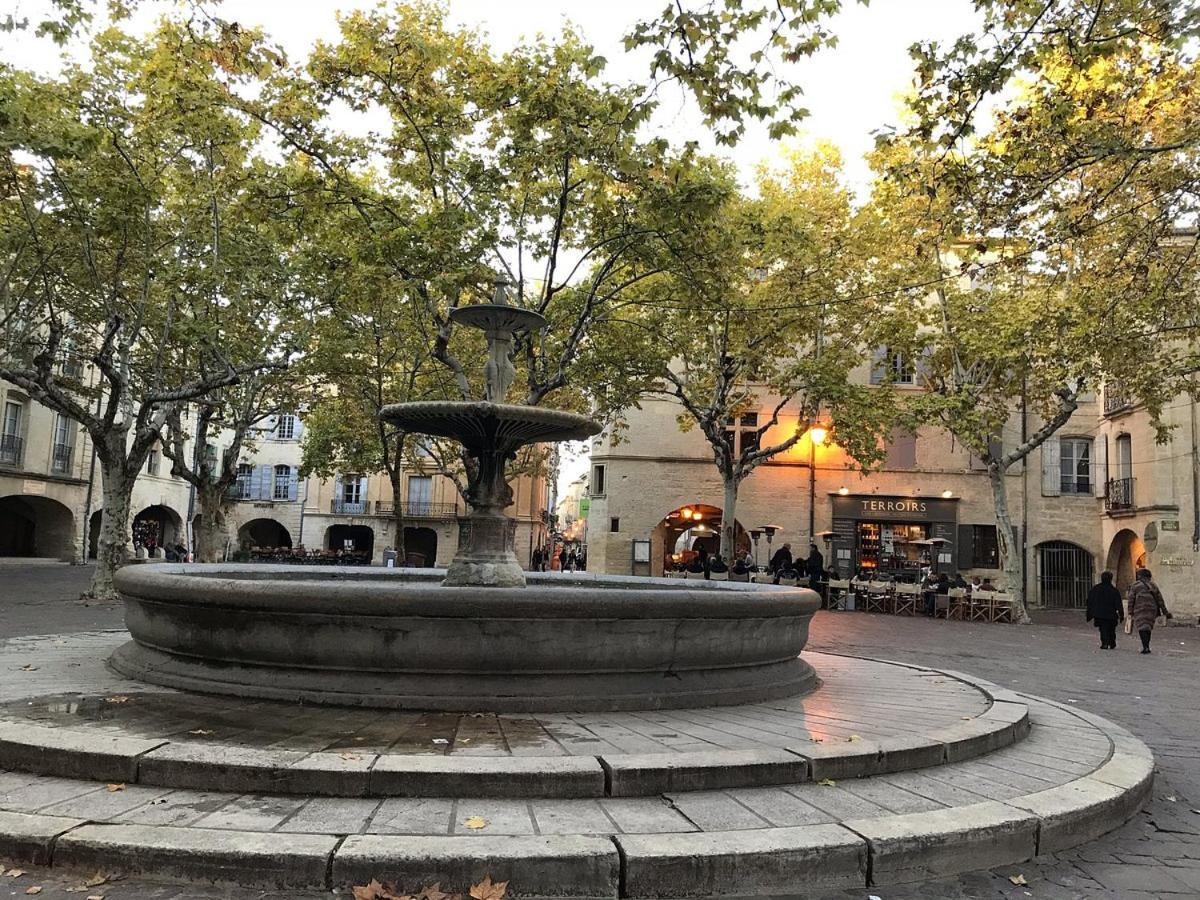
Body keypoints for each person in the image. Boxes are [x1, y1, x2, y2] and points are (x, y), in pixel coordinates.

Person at [1127, 568, 1172, 654]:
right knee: (1148, 627)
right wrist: (1165, 612)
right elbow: (1160, 600)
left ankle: (1145, 646)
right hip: (1152, 609)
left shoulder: (1135, 585)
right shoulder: (1153, 585)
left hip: (1140, 609)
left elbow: (1131, 599)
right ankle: (1147, 645)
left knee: (1141, 627)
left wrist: (1130, 611)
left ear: (1139, 576)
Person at [1085, 571, 1124, 650]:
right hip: (1111, 614)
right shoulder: (1114, 590)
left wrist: (1089, 613)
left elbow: (1090, 601)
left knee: (1103, 629)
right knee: (1111, 629)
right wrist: (1121, 614)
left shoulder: (1095, 589)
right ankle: (1112, 642)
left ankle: (1105, 643)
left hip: (1099, 613)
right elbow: (1118, 603)